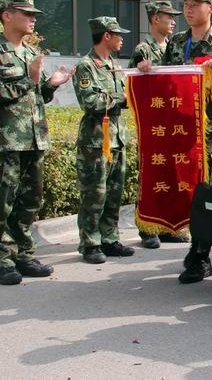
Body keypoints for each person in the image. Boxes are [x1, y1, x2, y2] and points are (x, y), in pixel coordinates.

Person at [139, 0, 212, 284]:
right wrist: (148, 72)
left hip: (209, 133)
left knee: (205, 194)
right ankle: (194, 248)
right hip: (179, 131)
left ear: (211, 8)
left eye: (196, 3)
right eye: (186, 3)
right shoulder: (176, 43)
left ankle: (199, 254)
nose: (189, 9)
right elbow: (164, 83)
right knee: (185, 191)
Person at [0, 0, 73, 285]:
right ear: (6, 15)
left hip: (34, 138)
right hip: (7, 141)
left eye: (34, 15)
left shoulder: (31, 54)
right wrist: (27, 81)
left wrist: (50, 84)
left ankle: (24, 254)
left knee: (30, 199)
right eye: (26, 13)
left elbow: (37, 96)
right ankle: (3, 258)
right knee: (3, 201)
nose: (33, 19)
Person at [73, 17, 133, 264]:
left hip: (117, 138)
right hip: (95, 140)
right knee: (94, 194)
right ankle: (90, 243)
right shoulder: (86, 66)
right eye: (118, 34)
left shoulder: (113, 65)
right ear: (106, 35)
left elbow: (125, 99)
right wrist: (123, 96)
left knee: (114, 194)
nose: (122, 38)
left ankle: (109, 238)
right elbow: (92, 102)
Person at [129, 0, 182, 249]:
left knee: (170, 175)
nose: (173, 21)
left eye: (174, 17)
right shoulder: (144, 48)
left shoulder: (175, 47)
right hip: (154, 122)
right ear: (154, 19)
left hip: (172, 121)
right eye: (167, 16)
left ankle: (167, 226)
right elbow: (135, 85)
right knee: (151, 173)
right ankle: (146, 228)